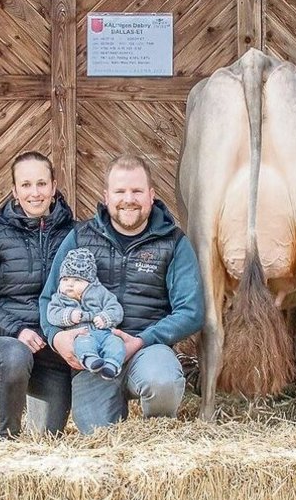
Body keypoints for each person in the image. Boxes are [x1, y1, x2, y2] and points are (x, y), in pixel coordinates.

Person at [41, 154, 203, 435]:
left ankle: (156, 440)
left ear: (151, 195)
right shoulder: (80, 238)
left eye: (137, 191)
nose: (129, 198)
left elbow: (191, 311)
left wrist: (141, 340)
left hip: (148, 350)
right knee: (96, 435)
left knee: (162, 381)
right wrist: (57, 338)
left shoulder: (173, 242)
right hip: (94, 354)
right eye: (120, 191)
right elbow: (47, 300)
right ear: (106, 196)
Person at [0, 151, 76, 438]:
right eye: (26, 185)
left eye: (41, 184)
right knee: (15, 356)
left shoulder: (76, 234)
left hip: (54, 350)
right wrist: (17, 330)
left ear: (53, 187)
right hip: (5, 343)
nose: (34, 193)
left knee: (48, 437)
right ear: (14, 191)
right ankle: (7, 438)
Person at [42, 247, 125, 380]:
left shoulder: (101, 293)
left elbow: (116, 309)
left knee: (116, 343)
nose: (70, 284)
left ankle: (112, 365)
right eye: (65, 279)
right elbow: (52, 314)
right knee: (83, 343)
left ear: (90, 282)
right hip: (81, 333)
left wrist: (105, 318)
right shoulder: (59, 298)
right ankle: (90, 359)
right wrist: (69, 315)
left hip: (104, 333)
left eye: (77, 280)